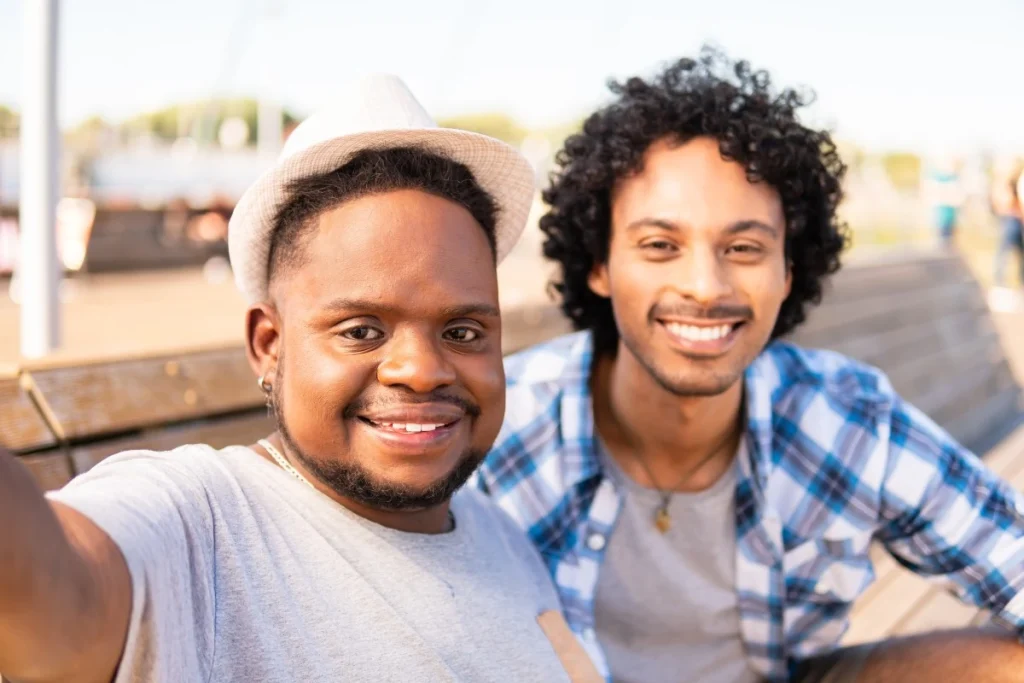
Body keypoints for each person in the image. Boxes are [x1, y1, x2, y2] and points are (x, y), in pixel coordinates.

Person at [0, 74, 587, 683]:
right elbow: (51, 585)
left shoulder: (503, 539)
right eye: (362, 330)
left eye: (463, 333)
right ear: (269, 346)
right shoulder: (201, 522)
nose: (421, 371)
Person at [477, 47, 1024, 683]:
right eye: (660, 245)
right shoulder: (504, 422)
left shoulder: (845, 419)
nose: (706, 286)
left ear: (789, 269)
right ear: (598, 263)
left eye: (744, 247)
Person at [990, 158, 1024, 297]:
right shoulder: (1003, 183)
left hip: (1016, 218)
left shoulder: (1014, 181)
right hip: (1010, 218)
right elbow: (1002, 202)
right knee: (1004, 251)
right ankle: (999, 284)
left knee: (1018, 253)